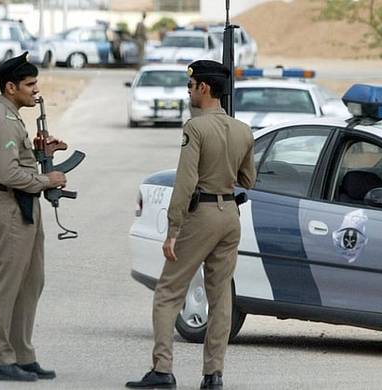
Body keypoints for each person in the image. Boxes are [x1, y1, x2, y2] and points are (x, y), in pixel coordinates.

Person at [126, 60, 256, 390]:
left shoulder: (194, 128)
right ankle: (213, 375)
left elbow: (185, 183)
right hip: (230, 215)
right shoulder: (242, 130)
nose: (189, 91)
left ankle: (162, 370)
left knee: (168, 292)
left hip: (203, 216)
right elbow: (248, 179)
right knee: (221, 297)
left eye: (191, 86)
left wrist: (172, 230)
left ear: (205, 88)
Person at [0, 52, 66, 382]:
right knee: (8, 286)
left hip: (23, 206)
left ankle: (22, 355)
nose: (36, 90)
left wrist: (45, 154)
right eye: (30, 84)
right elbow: (10, 173)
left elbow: (19, 161)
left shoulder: (12, 116)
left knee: (31, 282)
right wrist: (48, 179)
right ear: (11, 87)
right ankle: (0, 358)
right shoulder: (1, 119)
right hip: (9, 206)